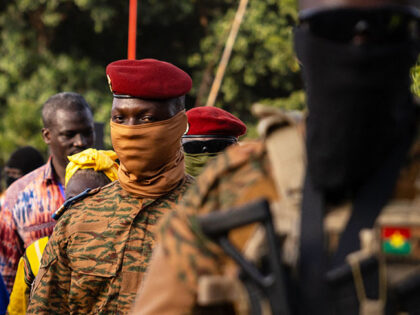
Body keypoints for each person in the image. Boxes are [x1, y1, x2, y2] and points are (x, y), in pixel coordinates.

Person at [131, 1, 420, 314]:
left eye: (386, 26)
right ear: (301, 45)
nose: (358, 46)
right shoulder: (232, 187)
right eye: (333, 28)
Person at [27, 58, 195, 314]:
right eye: (120, 117)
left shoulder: (213, 213)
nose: (129, 130)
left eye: (145, 118)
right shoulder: (78, 219)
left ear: (179, 125)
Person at [0, 92, 95, 292]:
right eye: (69, 134)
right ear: (47, 136)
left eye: (87, 132)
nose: (80, 141)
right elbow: (8, 276)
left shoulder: (115, 184)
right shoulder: (18, 196)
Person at [7, 148, 119, 315]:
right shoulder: (37, 255)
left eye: (92, 203)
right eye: (72, 201)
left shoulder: (125, 252)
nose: (78, 211)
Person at [182, 106, 246, 176]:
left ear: (235, 147)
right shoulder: (170, 183)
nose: (204, 156)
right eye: (192, 147)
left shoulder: (253, 183)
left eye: (217, 146)